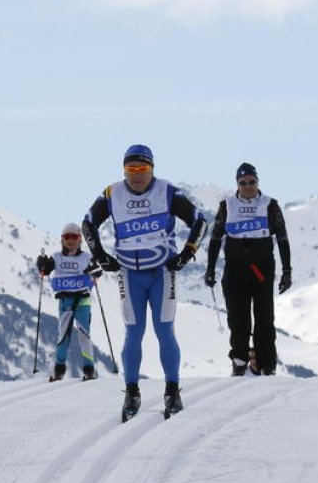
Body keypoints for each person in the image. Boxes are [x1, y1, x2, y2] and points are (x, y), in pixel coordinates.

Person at [82, 144, 206, 421]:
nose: (137, 176)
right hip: (129, 274)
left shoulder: (167, 191)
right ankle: (131, 391)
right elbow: (88, 224)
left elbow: (199, 221)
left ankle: (172, 391)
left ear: (152, 169)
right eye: (131, 170)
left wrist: (187, 253)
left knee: (164, 331)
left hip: (163, 272)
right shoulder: (112, 193)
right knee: (133, 333)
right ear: (123, 170)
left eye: (143, 169)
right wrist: (101, 256)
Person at [204, 162, 293, 376]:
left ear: (258, 182)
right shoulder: (227, 206)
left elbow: (282, 238)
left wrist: (287, 271)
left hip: (262, 271)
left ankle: (267, 364)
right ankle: (240, 361)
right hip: (235, 271)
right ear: (237, 184)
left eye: (252, 182)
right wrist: (210, 269)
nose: (248, 186)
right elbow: (216, 238)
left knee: (264, 320)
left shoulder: (270, 205)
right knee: (238, 320)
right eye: (243, 183)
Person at [35, 223, 102, 382]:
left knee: (84, 336)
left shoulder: (86, 257)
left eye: (74, 237)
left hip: (83, 301)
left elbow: (98, 271)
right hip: (65, 301)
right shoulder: (57, 257)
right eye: (67, 237)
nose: (70, 240)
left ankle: (89, 369)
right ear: (62, 240)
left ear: (80, 240)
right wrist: (42, 265)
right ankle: (59, 370)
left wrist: (94, 270)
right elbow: (46, 269)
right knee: (63, 336)